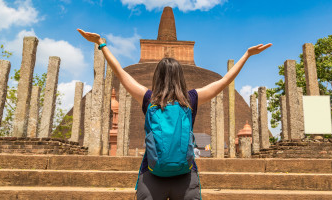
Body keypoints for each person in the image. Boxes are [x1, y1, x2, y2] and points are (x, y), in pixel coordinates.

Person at [77, 28, 272, 200]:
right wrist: (247, 54)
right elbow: (224, 81)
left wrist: (101, 43)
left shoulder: (149, 99)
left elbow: (120, 72)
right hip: (185, 175)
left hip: (152, 173)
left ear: (157, 76)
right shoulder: (191, 99)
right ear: (181, 76)